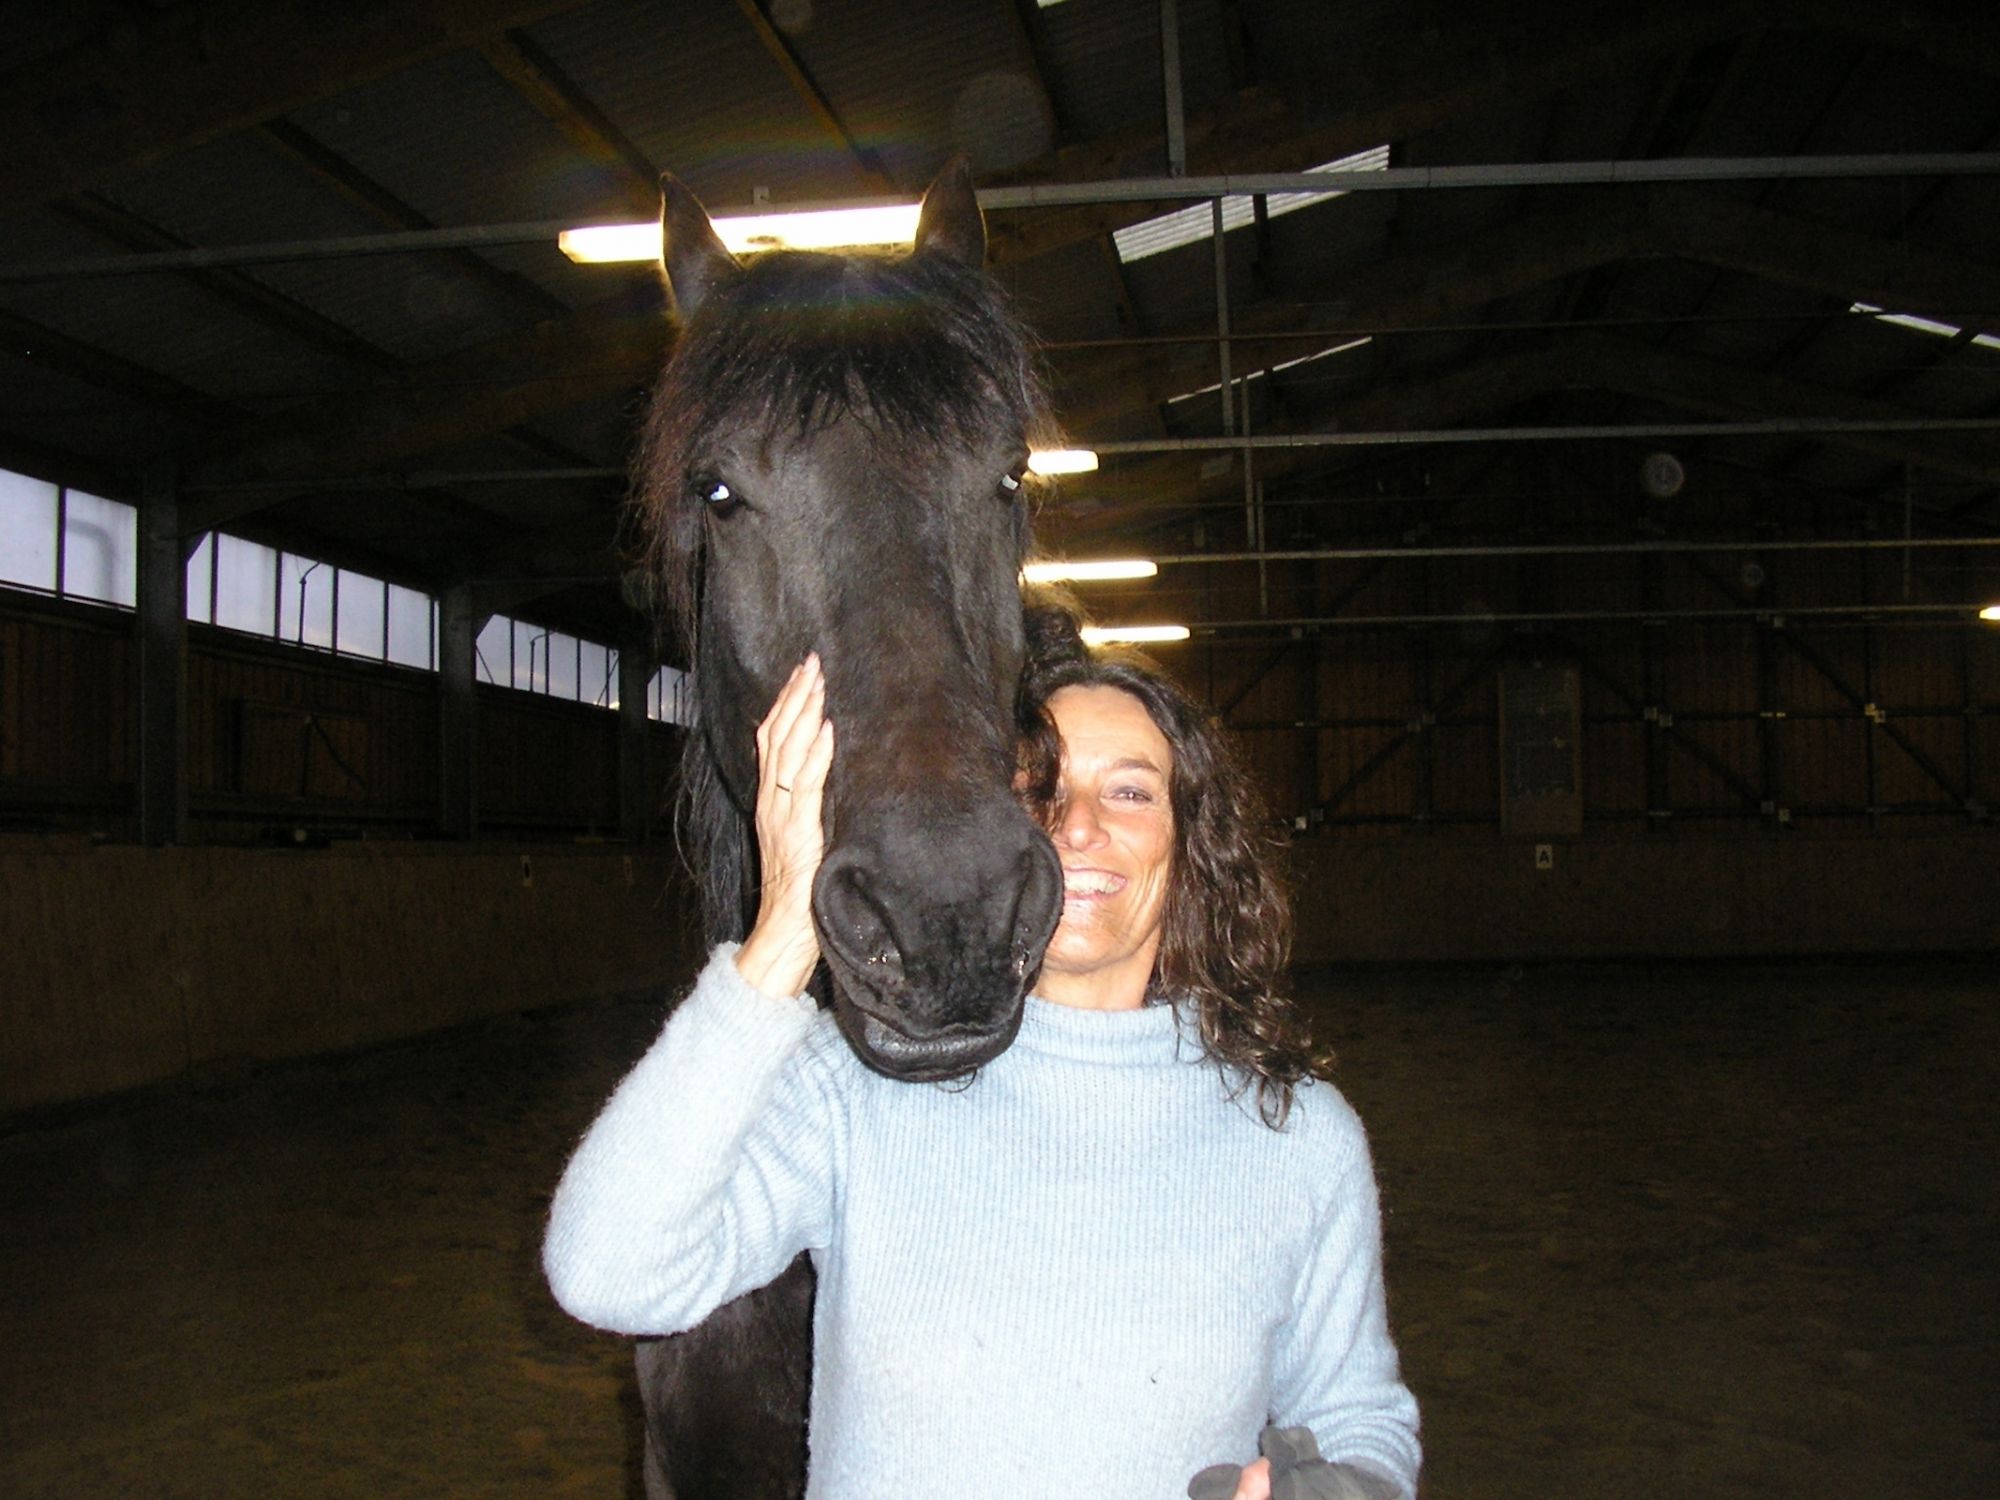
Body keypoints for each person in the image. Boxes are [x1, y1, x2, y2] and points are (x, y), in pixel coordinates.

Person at [543, 610, 1421, 1500]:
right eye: (1040, 788)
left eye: (1130, 792)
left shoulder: (1298, 1137)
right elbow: (612, 1273)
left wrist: (1333, 1492)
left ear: (1191, 843)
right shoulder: (860, 1083)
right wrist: (782, 935)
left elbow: (1359, 1419)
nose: (1080, 826)